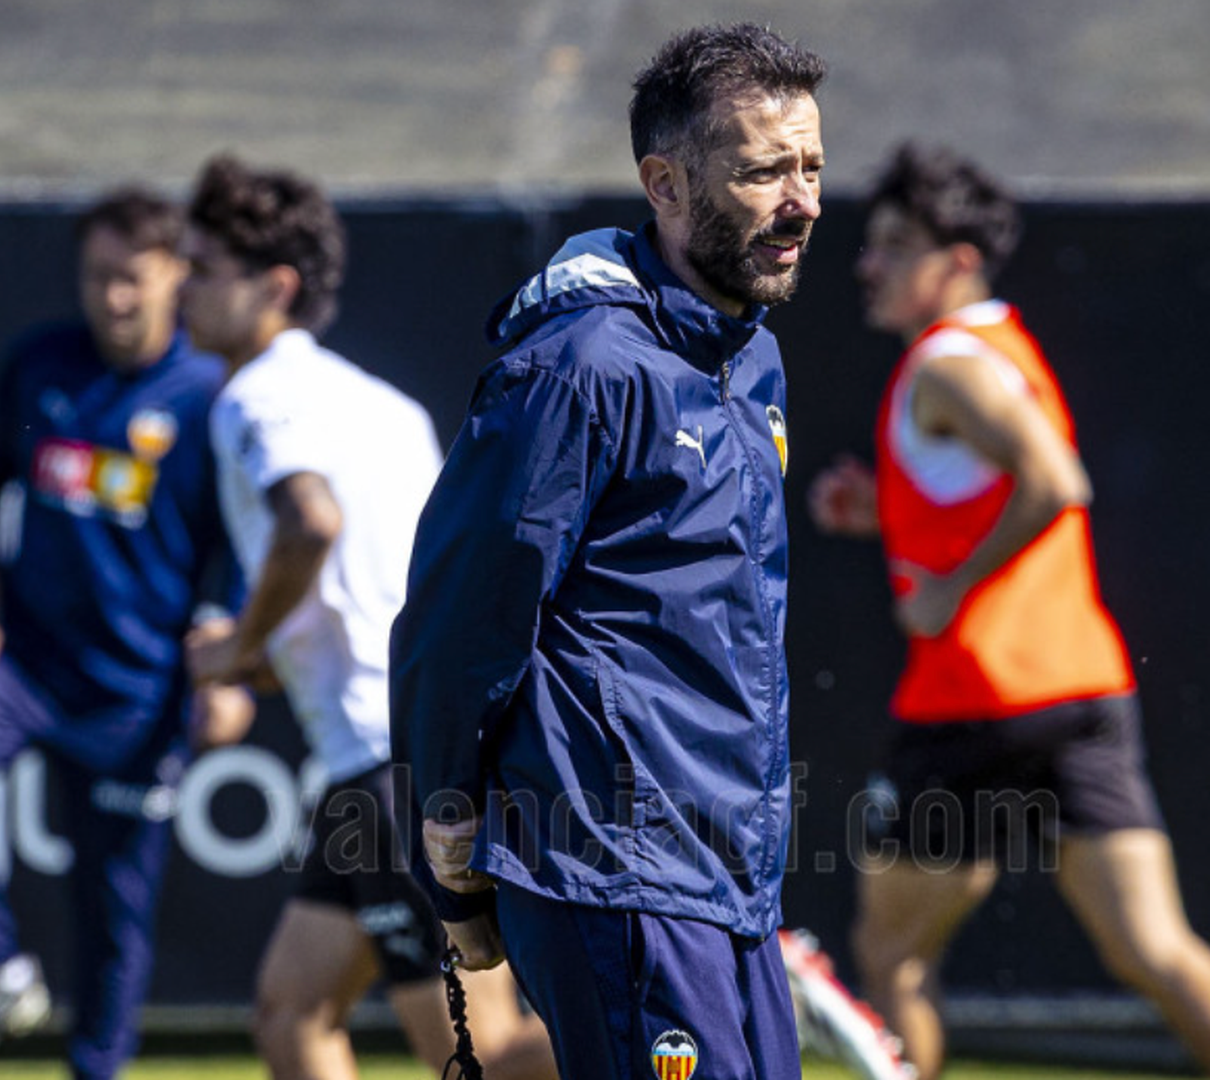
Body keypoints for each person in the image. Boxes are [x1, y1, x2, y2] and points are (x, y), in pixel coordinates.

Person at [390, 22, 827, 1080]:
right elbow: (461, 625)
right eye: (763, 171)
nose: (803, 202)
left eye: (811, 165)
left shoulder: (751, 359)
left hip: (731, 875)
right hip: (610, 863)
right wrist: (443, 838)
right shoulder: (577, 367)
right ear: (666, 183)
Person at [808, 143, 1210, 1080]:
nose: (868, 265)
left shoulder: (948, 365)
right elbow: (995, 492)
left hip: (970, 707)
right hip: (1079, 694)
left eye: (895, 245)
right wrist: (889, 513)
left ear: (957, 262)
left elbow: (1055, 482)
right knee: (1154, 952)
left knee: (892, 956)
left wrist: (951, 588)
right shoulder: (1002, 348)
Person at [177, 153, 551, 1080]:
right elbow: (391, 585)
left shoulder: (255, 396)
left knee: (484, 1057)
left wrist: (237, 649)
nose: (181, 290)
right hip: (394, 757)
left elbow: (312, 524)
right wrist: (270, 658)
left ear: (276, 287)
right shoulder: (376, 402)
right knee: (291, 1011)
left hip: (394, 764)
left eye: (202, 268)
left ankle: (707, 1004)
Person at [0, 188, 251, 1080]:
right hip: (24, 663)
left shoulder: (211, 393)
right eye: (99, 278)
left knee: (112, 912)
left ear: (175, 276)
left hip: (137, 694)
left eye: (132, 279)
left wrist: (225, 674)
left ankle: (97, 1071)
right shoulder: (41, 363)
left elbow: (246, 547)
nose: (114, 299)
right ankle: (1, 969)